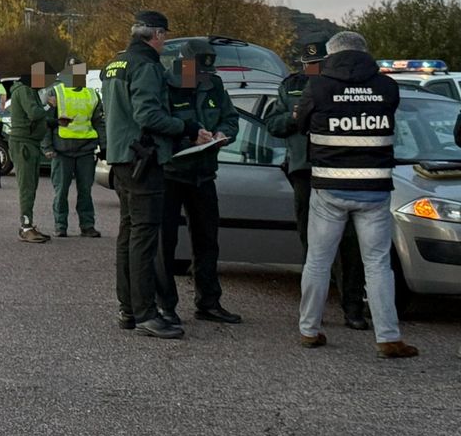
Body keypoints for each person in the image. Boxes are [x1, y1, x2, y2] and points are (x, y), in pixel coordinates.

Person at [293, 31, 417, 358]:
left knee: (318, 261)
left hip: (329, 188)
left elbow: (301, 124)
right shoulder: (387, 87)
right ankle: (388, 338)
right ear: (365, 53)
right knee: (377, 265)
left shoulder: (318, 86)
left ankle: (309, 330)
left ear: (331, 55)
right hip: (374, 189)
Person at [102, 11, 205, 340]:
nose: (164, 42)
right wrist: (187, 128)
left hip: (122, 159)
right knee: (144, 239)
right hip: (144, 160)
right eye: (164, 36)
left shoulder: (115, 63)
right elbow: (148, 115)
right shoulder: (146, 66)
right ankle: (146, 312)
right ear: (157, 35)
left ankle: (129, 309)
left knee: (128, 234)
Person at [266, 42, 369, 330]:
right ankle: (314, 309)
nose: (312, 69)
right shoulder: (291, 87)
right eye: (308, 64)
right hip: (305, 171)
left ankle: (353, 308)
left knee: (349, 244)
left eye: (318, 64)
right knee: (313, 244)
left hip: (340, 170)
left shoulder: (346, 85)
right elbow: (272, 124)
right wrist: (293, 117)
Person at [160, 40, 241, 324]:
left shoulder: (213, 85)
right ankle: (165, 306)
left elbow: (231, 119)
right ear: (183, 63)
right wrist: (189, 137)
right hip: (171, 173)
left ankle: (209, 302)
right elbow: (159, 124)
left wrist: (221, 134)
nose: (201, 76)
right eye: (197, 70)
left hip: (204, 173)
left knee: (207, 241)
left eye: (205, 71)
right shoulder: (165, 84)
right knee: (165, 243)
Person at [49, 57, 104, 238]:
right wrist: (47, 147)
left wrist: (104, 147)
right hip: (61, 150)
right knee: (61, 191)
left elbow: (99, 122)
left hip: (85, 150)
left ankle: (87, 225)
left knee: (85, 191)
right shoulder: (56, 92)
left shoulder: (92, 94)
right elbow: (46, 122)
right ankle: (60, 226)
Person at [6, 63, 54, 243]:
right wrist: (48, 106)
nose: (46, 85)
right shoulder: (24, 90)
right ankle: (25, 227)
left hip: (30, 143)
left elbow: (34, 117)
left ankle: (28, 224)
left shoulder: (28, 90)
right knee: (27, 187)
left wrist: (54, 122)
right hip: (23, 144)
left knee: (31, 186)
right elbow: (34, 113)